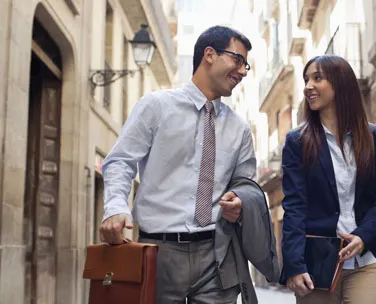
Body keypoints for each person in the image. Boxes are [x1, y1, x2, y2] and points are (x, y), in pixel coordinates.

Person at [99, 25, 279, 304]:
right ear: (209, 54)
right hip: (157, 251)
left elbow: (245, 184)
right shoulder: (155, 107)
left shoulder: (240, 129)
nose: (243, 71)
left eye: (246, 65)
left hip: (217, 255)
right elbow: (121, 161)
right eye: (238, 60)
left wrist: (239, 203)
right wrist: (115, 207)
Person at [279, 55, 376, 304]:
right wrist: (294, 265)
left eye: (317, 78)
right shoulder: (297, 142)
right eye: (306, 79)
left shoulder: (373, 137)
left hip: (367, 259)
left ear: (340, 83)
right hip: (317, 266)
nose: (308, 85)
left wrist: (363, 235)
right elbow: (294, 206)